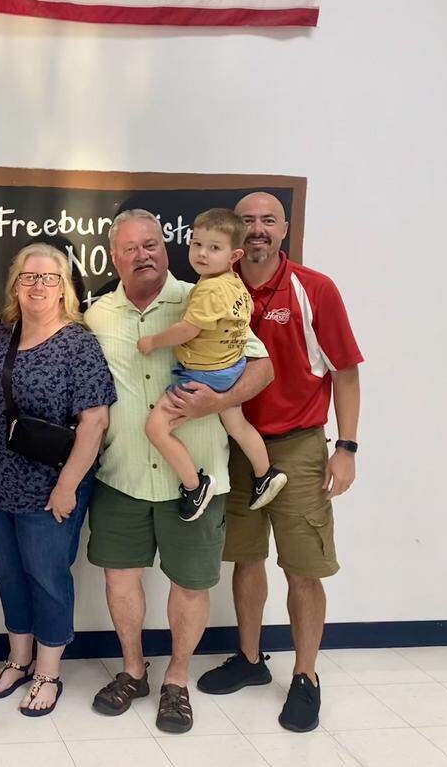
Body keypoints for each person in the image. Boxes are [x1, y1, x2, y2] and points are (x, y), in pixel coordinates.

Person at [83, 209, 273, 734]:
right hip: (121, 475)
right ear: (113, 257)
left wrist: (218, 401)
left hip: (199, 477)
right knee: (120, 579)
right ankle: (133, 671)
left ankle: (177, 681)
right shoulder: (98, 315)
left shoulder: (204, 297)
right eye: (130, 248)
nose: (142, 254)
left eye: (151, 244)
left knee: (190, 585)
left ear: (165, 248)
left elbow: (262, 367)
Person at [198, 191, 363, 734]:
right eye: (247, 221)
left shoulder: (313, 289)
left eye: (268, 220)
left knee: (302, 567)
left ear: (284, 228)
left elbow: (344, 370)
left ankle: (307, 676)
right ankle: (250, 660)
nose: (257, 229)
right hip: (236, 445)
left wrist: (347, 446)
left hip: (297, 446)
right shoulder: (218, 285)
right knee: (246, 560)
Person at [0, 243, 115, 717]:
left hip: (52, 488)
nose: (37, 286)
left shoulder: (78, 343)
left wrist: (68, 485)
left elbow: (94, 422)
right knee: (9, 574)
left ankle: (49, 671)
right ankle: (19, 658)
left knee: (47, 577)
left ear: (64, 287)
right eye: (28, 277)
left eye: (48, 278)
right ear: (14, 285)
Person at [139, 208, 287, 521]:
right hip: (230, 368)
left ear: (234, 254)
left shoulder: (207, 290)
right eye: (196, 244)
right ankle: (266, 473)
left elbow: (189, 329)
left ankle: (195, 485)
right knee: (236, 424)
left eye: (214, 248)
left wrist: (153, 342)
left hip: (204, 375)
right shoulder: (234, 283)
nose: (202, 254)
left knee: (155, 428)